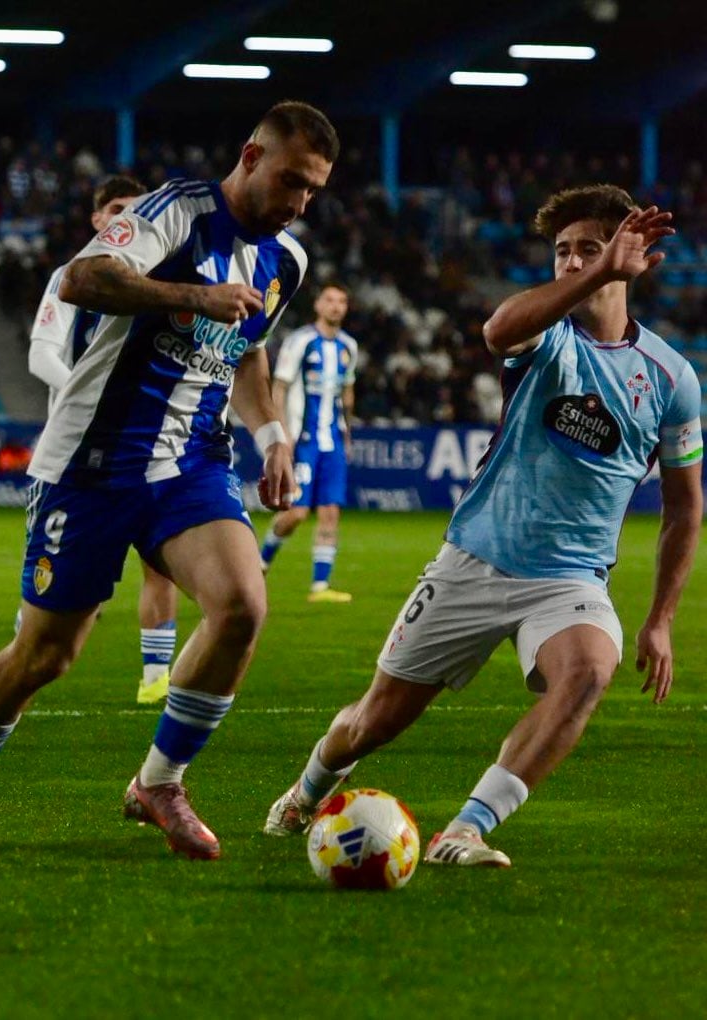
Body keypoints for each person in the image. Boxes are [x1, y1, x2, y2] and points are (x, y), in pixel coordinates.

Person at [0, 100, 339, 861]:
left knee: (242, 605)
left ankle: (160, 781)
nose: (299, 202)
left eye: (313, 190)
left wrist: (273, 434)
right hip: (90, 464)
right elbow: (83, 277)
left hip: (191, 464)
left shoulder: (288, 259)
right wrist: (190, 295)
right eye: (291, 181)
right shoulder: (174, 214)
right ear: (250, 158)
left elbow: (247, 350)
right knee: (45, 657)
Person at [265, 185, 702, 867]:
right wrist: (600, 268)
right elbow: (498, 330)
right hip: (473, 558)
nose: (572, 261)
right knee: (374, 721)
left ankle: (466, 829)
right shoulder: (549, 336)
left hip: (568, 580)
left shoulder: (674, 378)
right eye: (562, 251)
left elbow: (685, 506)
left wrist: (661, 618)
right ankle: (308, 789)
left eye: (589, 247)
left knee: (588, 670)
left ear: (636, 254)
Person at [28, 175, 179, 704]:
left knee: (162, 566)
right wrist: (91, 393)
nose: (126, 216)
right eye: (116, 208)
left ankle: (155, 677)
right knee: (61, 596)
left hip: (145, 449)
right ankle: (21, 664)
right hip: (75, 454)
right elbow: (40, 354)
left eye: (136, 210)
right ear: (97, 220)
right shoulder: (72, 278)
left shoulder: (157, 281)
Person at [259, 282, 357, 601]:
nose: (336, 306)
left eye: (341, 300)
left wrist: (347, 434)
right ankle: (261, 562)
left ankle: (320, 586)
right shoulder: (300, 341)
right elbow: (281, 386)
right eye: (330, 300)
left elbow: (347, 391)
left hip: (332, 441)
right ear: (317, 305)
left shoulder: (348, 346)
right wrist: (281, 432)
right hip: (303, 440)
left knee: (330, 511)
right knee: (296, 513)